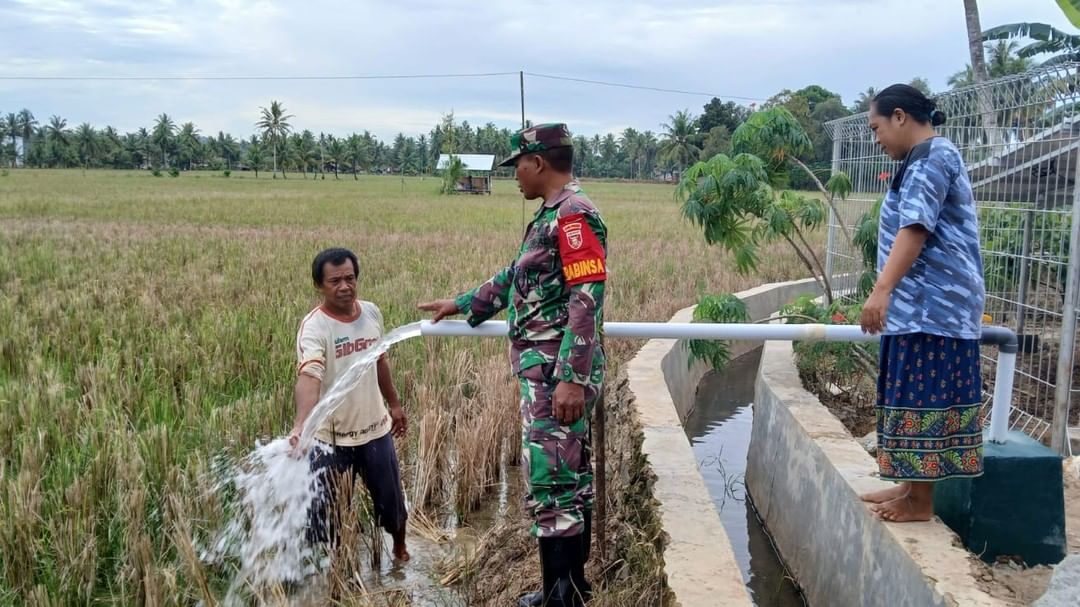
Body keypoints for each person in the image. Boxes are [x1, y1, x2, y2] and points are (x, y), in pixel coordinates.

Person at [418, 123, 606, 607]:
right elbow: (516, 277)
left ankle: (558, 600)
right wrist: (464, 303)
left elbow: (586, 297)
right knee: (568, 477)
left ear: (539, 163)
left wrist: (570, 379)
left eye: (517, 165)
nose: (514, 176)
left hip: (553, 376)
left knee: (552, 482)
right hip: (548, 373)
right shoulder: (552, 215)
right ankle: (573, 592)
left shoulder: (572, 216)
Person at [858, 84, 986, 523]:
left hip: (935, 308)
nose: (876, 139)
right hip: (922, 308)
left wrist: (882, 290)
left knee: (923, 397)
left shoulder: (932, 158)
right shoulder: (925, 158)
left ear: (899, 116)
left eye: (876, 128)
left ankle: (920, 502)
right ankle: (910, 487)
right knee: (910, 394)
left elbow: (915, 228)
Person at [289, 247, 410, 561]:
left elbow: (380, 361)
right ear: (319, 285)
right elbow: (310, 376)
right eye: (335, 281)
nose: (344, 286)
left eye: (350, 278)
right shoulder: (315, 327)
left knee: (393, 505)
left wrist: (394, 404)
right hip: (330, 440)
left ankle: (400, 551)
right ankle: (333, 572)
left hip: (375, 431)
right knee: (324, 519)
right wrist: (302, 424)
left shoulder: (371, 313)